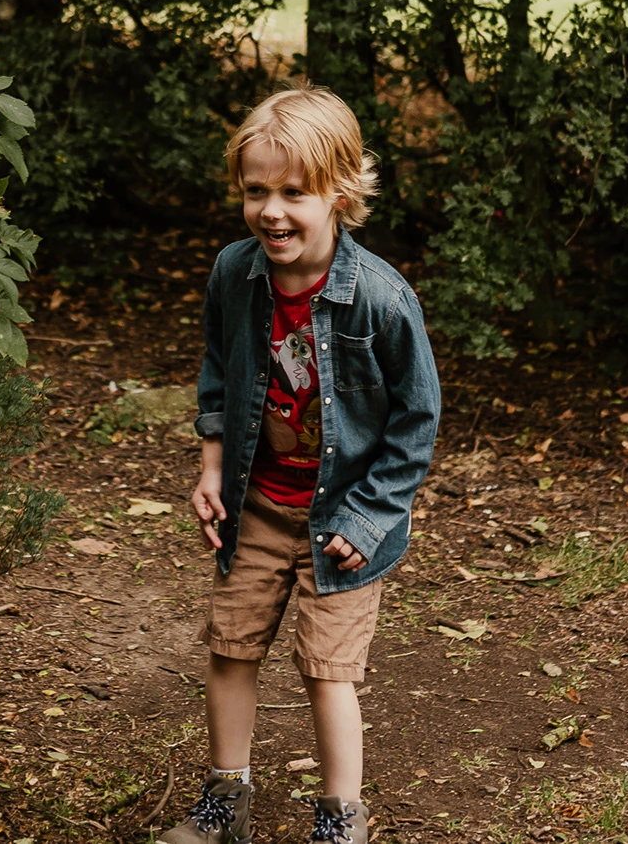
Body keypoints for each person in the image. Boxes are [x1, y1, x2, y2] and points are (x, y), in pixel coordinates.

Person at [159, 86, 441, 844]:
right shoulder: (234, 273)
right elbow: (219, 370)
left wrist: (370, 516)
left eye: (294, 193)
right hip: (255, 506)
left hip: (344, 522)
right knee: (231, 647)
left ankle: (341, 817)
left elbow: (417, 421)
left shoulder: (380, 299)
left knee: (327, 669)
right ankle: (226, 802)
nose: (272, 211)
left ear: (340, 193)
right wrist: (212, 464)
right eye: (256, 191)